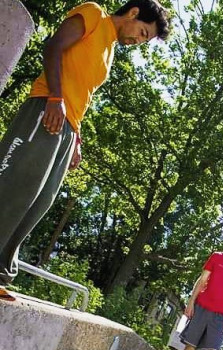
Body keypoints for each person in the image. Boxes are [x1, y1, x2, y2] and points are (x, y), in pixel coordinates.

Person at [0, 0, 172, 300]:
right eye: (143, 33)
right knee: (14, 187)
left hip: (67, 126)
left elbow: (83, 90)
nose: (138, 42)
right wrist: (55, 98)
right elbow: (53, 47)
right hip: (46, 107)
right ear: (132, 14)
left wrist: (76, 137)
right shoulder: (93, 15)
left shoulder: (110, 50)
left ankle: (1, 271)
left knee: (38, 202)